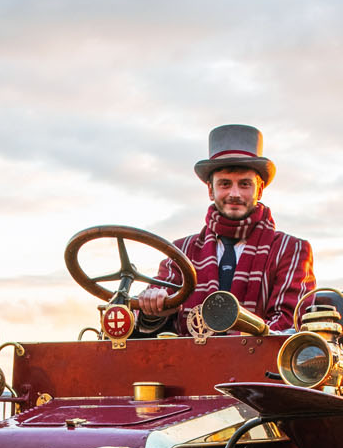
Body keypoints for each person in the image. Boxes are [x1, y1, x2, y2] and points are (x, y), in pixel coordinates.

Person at [134, 124, 315, 334]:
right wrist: (152, 306)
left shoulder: (291, 250)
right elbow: (152, 319)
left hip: (261, 364)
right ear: (211, 190)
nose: (235, 193)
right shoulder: (180, 252)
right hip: (187, 363)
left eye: (245, 184)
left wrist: (232, 349)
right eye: (225, 184)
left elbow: (289, 322)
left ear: (260, 189)